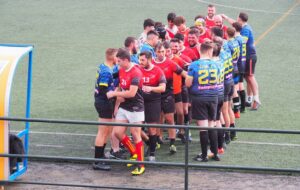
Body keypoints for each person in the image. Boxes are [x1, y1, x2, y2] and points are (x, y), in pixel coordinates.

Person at [107, 48, 145, 176]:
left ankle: (141, 164)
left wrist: (114, 94)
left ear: (126, 60)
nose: (117, 64)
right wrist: (118, 102)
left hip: (136, 107)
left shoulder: (136, 73)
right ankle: (134, 153)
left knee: (135, 134)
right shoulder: (121, 69)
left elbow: (131, 93)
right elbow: (120, 85)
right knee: (117, 132)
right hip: (124, 106)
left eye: (119, 61)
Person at [186, 41, 220, 162]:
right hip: (213, 97)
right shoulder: (217, 64)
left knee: (203, 128)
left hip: (199, 97)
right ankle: (215, 153)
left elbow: (188, 83)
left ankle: (204, 155)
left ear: (200, 50)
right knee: (212, 125)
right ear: (210, 51)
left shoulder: (194, 65)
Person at [153, 42, 187, 154]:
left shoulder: (170, 63)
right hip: (155, 96)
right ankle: (157, 140)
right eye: (159, 51)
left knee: (170, 119)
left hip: (168, 95)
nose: (161, 54)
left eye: (163, 51)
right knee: (157, 119)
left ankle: (172, 144)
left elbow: (183, 73)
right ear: (155, 52)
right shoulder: (151, 63)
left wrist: (193, 78)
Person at [222, 12, 261, 110]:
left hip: (250, 56)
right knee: (247, 78)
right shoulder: (242, 26)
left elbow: (243, 41)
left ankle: (256, 99)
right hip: (246, 57)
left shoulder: (246, 30)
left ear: (239, 19)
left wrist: (231, 39)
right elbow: (234, 23)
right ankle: (249, 99)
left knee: (250, 77)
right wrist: (226, 17)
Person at [93, 48, 118, 171]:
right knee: (103, 131)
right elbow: (104, 89)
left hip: (102, 102)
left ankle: (101, 156)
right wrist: (113, 93)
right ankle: (97, 161)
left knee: (107, 131)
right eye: (117, 57)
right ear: (113, 58)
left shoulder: (103, 67)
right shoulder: (106, 72)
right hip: (104, 102)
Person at [139, 51, 166, 161]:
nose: (140, 62)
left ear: (149, 59)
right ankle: (150, 143)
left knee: (152, 129)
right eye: (139, 60)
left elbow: (163, 88)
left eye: (142, 60)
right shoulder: (138, 69)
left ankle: (152, 154)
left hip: (153, 103)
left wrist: (151, 88)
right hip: (139, 103)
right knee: (135, 128)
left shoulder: (158, 71)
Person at [226, 27, 241, 120]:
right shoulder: (236, 42)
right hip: (236, 67)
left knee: (229, 92)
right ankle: (237, 110)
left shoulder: (228, 44)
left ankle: (230, 110)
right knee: (235, 90)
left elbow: (227, 57)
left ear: (226, 33)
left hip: (230, 69)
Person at [232, 22, 247, 113]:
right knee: (241, 84)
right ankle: (243, 106)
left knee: (236, 86)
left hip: (238, 64)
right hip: (243, 63)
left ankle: (236, 107)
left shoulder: (236, 39)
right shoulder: (242, 38)